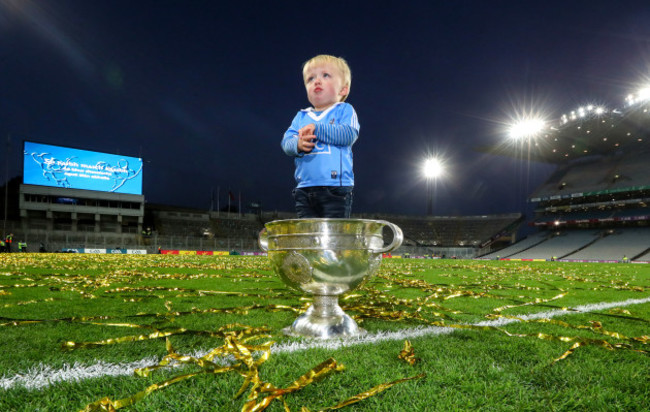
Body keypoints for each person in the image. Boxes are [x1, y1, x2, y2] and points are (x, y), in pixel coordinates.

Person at [281, 54, 360, 218]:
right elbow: (286, 142)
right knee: (309, 237)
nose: (317, 81)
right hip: (304, 189)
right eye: (310, 79)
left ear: (343, 89)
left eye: (325, 75)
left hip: (335, 189)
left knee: (333, 238)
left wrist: (317, 129)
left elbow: (348, 134)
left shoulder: (344, 110)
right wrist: (297, 144)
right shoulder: (301, 116)